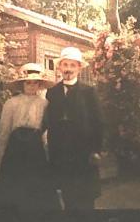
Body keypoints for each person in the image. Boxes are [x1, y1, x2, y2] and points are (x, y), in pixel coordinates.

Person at [0, 63, 59, 215]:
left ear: (39, 84)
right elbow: (4, 129)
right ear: (22, 84)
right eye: (28, 83)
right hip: (15, 146)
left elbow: (45, 128)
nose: (31, 86)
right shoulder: (11, 103)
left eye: (35, 83)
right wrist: (3, 150)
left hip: (35, 147)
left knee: (36, 183)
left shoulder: (44, 104)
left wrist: (45, 147)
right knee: (14, 182)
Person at [44, 47, 104, 210]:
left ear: (78, 68)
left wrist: (96, 150)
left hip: (83, 152)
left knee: (85, 197)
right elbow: (48, 121)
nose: (68, 69)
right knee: (67, 194)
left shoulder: (88, 92)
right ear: (60, 67)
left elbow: (98, 122)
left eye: (72, 65)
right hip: (61, 152)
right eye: (65, 65)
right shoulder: (52, 92)